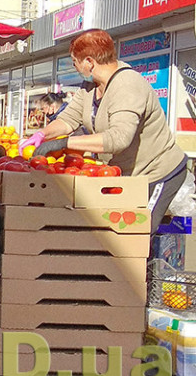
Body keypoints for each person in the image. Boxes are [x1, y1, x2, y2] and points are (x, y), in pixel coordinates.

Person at [22, 29, 189, 237]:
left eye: (75, 61)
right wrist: (41, 135)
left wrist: (65, 144)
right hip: (126, 174)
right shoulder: (91, 86)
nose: (74, 66)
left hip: (157, 173)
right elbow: (68, 119)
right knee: (114, 233)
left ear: (89, 62)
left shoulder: (127, 85)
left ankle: (144, 270)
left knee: (138, 233)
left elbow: (118, 139)